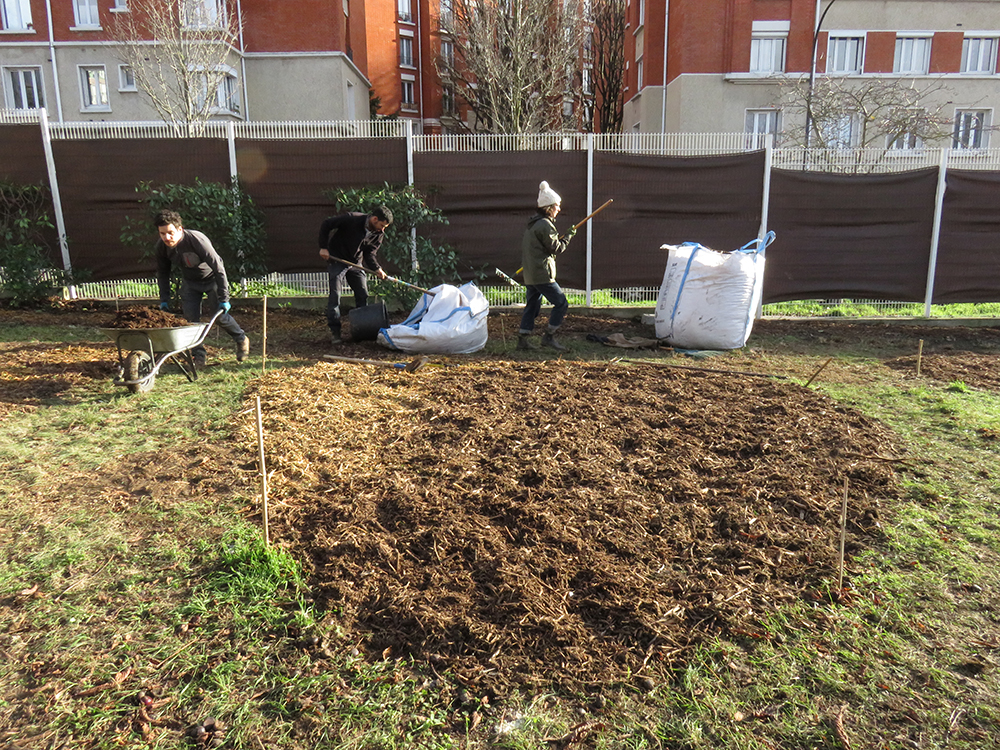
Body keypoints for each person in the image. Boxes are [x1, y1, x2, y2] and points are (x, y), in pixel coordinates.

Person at [155, 209, 250, 366]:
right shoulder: (162, 247)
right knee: (190, 321)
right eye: (162, 233)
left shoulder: (196, 240)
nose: (167, 237)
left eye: (170, 233)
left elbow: (218, 267)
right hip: (191, 283)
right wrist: (164, 299)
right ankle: (198, 356)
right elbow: (163, 273)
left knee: (219, 316)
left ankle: (241, 339)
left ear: (180, 229)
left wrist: (224, 298)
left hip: (211, 279)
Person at [318, 205, 393, 345]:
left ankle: (361, 330)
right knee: (335, 296)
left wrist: (377, 268)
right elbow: (326, 224)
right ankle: (335, 332)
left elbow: (370, 253)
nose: (382, 230)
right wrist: (323, 247)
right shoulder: (352, 219)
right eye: (382, 225)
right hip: (337, 259)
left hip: (356, 263)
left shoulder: (378, 233)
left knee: (362, 294)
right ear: (375, 219)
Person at [518, 181, 576, 351]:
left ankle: (522, 340)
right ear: (549, 208)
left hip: (531, 274)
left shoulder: (534, 224)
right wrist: (568, 237)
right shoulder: (545, 225)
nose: (559, 209)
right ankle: (549, 337)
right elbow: (556, 248)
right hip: (542, 274)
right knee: (561, 303)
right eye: (557, 206)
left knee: (532, 306)